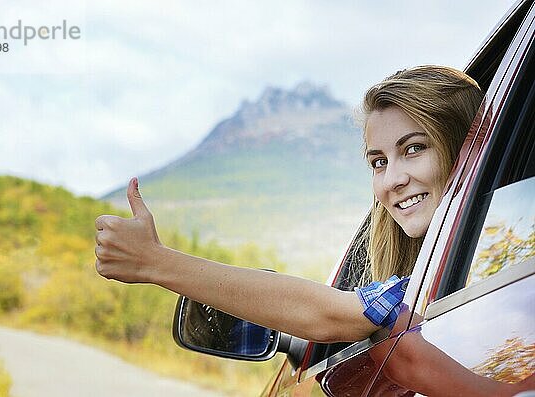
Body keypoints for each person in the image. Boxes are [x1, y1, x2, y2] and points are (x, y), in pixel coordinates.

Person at [94, 65, 483, 344]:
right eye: (378, 161)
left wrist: (155, 262)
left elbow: (329, 313)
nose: (391, 180)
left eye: (414, 149)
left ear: (467, 149)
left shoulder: (435, 283)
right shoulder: (437, 274)